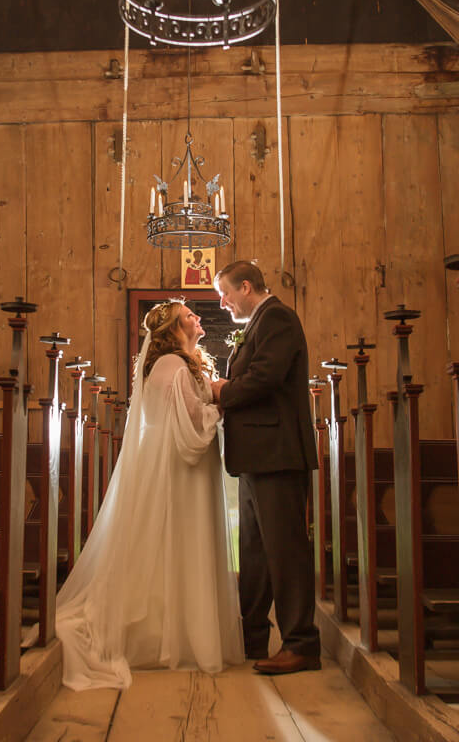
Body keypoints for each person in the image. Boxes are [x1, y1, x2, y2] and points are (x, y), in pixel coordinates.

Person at [56, 299, 243, 690]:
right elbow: (192, 421)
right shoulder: (170, 365)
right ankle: (165, 637)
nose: (196, 317)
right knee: (173, 542)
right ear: (174, 329)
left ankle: (176, 631)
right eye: (187, 315)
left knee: (177, 545)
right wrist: (221, 406)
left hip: (177, 463)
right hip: (177, 467)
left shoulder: (177, 364)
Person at [210, 260, 322, 674]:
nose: (222, 303)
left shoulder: (277, 318)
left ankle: (302, 644)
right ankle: (252, 636)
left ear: (244, 286)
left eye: (224, 293)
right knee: (255, 554)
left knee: (286, 551)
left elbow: (264, 377)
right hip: (258, 455)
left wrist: (223, 390)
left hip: (278, 454)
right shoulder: (261, 322)